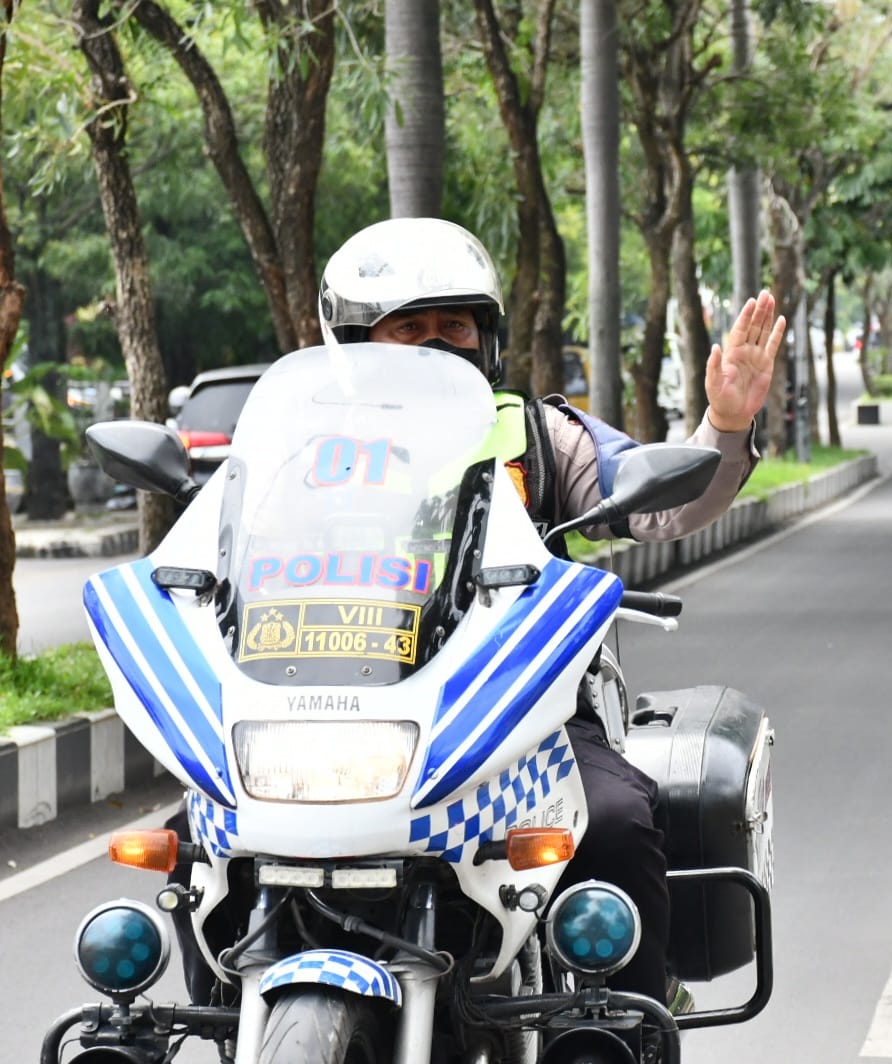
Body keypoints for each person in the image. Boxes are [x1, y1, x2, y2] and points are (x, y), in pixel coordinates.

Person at [169, 217, 782, 1012]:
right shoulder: (298, 452)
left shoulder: (535, 433)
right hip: (327, 711)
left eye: (454, 326)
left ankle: (625, 1024)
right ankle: (215, 1021)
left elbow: (656, 504)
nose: (435, 345)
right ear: (353, 343)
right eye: (408, 328)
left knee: (618, 823)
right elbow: (222, 551)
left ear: (485, 338)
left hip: (522, 717)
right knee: (192, 836)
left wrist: (725, 426)